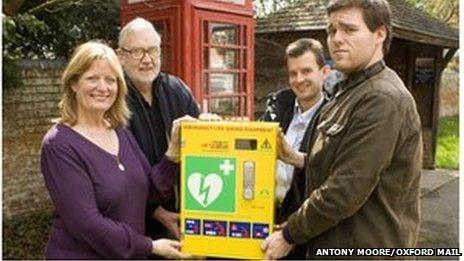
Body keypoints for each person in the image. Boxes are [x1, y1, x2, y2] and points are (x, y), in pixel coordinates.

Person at [262, 0, 423, 259]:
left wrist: (290, 233)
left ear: (379, 34)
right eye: (331, 30)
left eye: (349, 29)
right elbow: (338, 163)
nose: (336, 39)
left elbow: (345, 188)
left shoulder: (382, 98)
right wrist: (298, 159)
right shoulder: (347, 92)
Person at [40, 41, 193, 259]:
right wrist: (149, 245)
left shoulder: (119, 132)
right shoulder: (59, 144)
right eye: (92, 78)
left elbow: (149, 191)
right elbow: (86, 224)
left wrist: (173, 151)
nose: (103, 87)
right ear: (74, 83)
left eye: (110, 80)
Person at [117, 17, 200, 241]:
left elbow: (202, 148)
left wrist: (210, 127)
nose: (147, 59)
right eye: (137, 52)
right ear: (120, 56)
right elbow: (116, 176)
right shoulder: (112, 100)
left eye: (153, 50)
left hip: (184, 213)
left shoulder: (177, 89)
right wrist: (156, 212)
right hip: (134, 225)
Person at [260, 38, 330, 258]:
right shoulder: (278, 105)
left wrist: (294, 157)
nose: (299, 79)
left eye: (306, 71)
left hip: (300, 226)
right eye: (293, 73)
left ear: (324, 72)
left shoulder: (334, 116)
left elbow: (334, 171)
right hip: (263, 214)